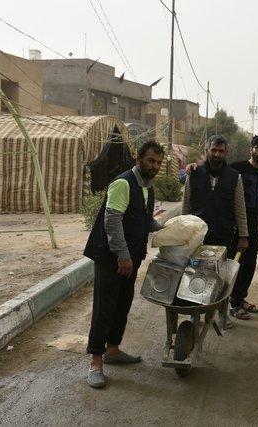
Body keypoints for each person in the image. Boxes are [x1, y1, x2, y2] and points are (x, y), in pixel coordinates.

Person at [83, 140, 165, 389]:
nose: (155, 166)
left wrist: (166, 229)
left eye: (159, 163)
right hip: (113, 258)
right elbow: (112, 221)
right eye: (151, 161)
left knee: (122, 304)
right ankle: (96, 363)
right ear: (139, 159)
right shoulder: (123, 183)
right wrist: (122, 255)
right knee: (104, 307)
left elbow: (144, 219)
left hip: (131, 257)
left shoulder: (147, 187)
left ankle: (113, 350)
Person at [227, 135, 258, 320]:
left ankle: (241, 298)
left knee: (250, 264)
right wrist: (193, 167)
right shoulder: (237, 168)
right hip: (238, 223)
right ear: (251, 149)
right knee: (237, 263)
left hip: (254, 222)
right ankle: (233, 304)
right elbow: (216, 173)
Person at [181, 135, 249, 257]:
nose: (217, 154)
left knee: (219, 273)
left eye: (221, 151)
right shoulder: (193, 174)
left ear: (226, 153)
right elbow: (186, 206)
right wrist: (182, 232)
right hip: (197, 236)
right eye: (213, 150)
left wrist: (243, 236)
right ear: (207, 151)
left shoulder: (235, 177)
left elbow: (240, 208)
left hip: (223, 236)